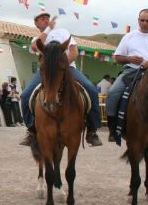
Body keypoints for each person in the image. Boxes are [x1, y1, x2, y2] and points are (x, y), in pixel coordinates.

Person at [20, 12, 103, 148]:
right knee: (25, 95)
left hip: (67, 68)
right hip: (45, 72)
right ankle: (31, 130)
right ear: (36, 24)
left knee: (91, 90)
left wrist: (61, 67)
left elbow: (74, 52)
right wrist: (48, 29)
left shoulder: (63, 32)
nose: (46, 20)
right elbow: (36, 47)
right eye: (42, 19)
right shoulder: (36, 38)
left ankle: (92, 130)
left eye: (47, 18)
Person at [105, 9, 148, 141]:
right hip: (131, 71)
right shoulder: (129, 36)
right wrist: (129, 59)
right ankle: (113, 129)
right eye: (142, 20)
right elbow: (117, 57)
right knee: (112, 93)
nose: (145, 23)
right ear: (138, 20)